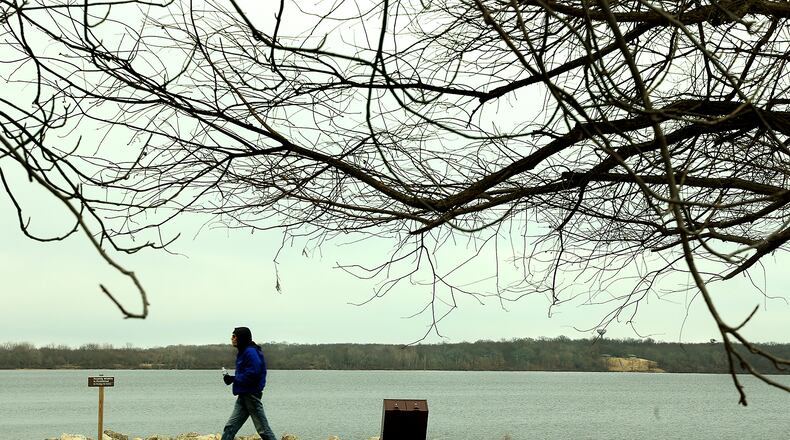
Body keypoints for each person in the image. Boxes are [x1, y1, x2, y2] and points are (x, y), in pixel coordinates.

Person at [221, 326, 278, 440]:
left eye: (234, 336)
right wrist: (232, 379)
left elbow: (254, 373)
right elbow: (248, 372)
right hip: (244, 394)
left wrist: (234, 379)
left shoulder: (250, 352)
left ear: (241, 338)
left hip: (251, 395)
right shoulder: (245, 351)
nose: (232, 338)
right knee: (230, 427)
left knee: (263, 430)